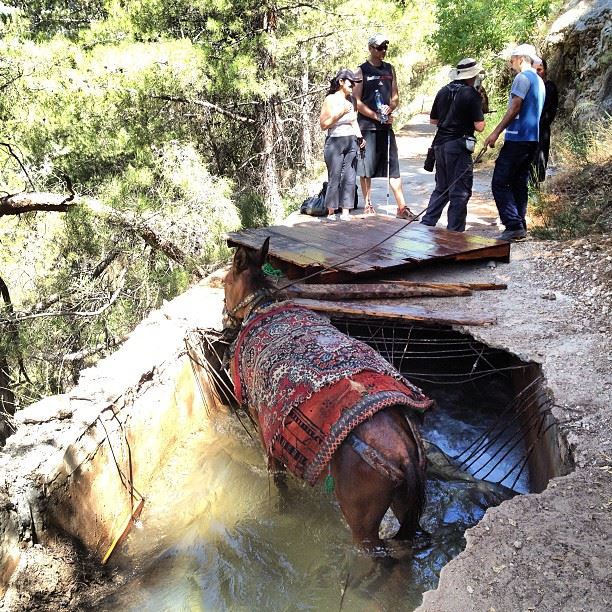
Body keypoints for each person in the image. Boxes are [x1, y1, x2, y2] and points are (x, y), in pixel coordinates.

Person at [483, 44, 545, 241]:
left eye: (512, 60)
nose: (511, 65)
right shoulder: (540, 81)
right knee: (519, 182)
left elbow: (515, 107)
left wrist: (495, 132)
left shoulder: (522, 77)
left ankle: (513, 224)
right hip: (532, 138)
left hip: (517, 137)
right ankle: (520, 224)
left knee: (500, 182)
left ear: (520, 58)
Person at [352, 33, 416, 220]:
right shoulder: (361, 71)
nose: (383, 51)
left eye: (385, 48)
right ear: (371, 48)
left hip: (386, 127)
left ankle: (402, 207)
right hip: (367, 127)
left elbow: (395, 96)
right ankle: (368, 204)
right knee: (366, 169)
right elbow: (355, 100)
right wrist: (374, 116)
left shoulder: (390, 69)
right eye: (379, 48)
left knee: (393, 167)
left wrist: (390, 108)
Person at [421, 58, 486, 232]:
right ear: (473, 76)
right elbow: (480, 126)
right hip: (458, 146)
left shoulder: (443, 91)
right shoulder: (471, 94)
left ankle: (426, 224)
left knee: (441, 188)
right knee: (460, 191)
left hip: (440, 146)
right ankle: (455, 234)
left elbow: (433, 120)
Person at [319, 68, 365, 220]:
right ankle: (331, 211)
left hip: (351, 140)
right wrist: (340, 112)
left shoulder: (352, 100)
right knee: (335, 176)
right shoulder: (330, 99)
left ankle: (346, 211)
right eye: (351, 83)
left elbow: (354, 121)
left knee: (350, 176)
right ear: (341, 82)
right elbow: (324, 125)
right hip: (335, 141)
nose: (353, 86)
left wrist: (359, 137)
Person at [532, 58, 559, 182]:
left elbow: (545, 111)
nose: (537, 72)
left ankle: (535, 192)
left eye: (540, 69)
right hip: (530, 130)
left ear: (545, 70)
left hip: (541, 130)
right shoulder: (532, 87)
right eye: (535, 70)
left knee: (539, 162)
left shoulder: (549, 87)